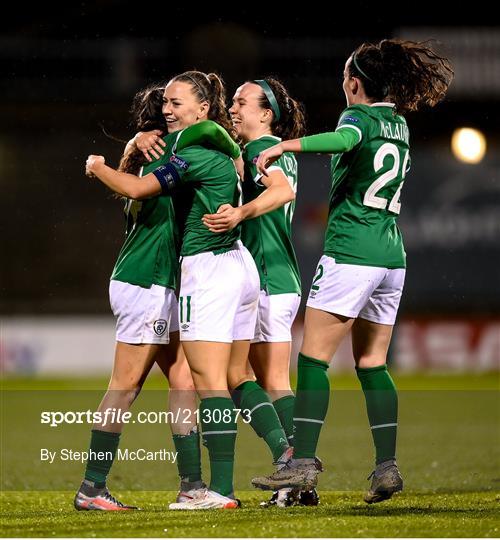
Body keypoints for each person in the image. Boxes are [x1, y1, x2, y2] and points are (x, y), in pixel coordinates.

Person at [251, 39, 453, 503]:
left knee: (313, 360)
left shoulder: (357, 117)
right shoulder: (399, 124)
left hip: (351, 252)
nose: (343, 82)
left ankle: (301, 463)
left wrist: (288, 144)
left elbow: (345, 140)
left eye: (345, 75)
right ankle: (386, 467)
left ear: (355, 82)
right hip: (391, 254)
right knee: (372, 363)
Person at [86, 71, 290, 510]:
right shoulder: (168, 160)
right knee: (127, 384)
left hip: (171, 281)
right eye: (166, 105)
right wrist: (105, 160)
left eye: (176, 104)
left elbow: (209, 138)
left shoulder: (187, 155)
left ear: (199, 110)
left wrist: (129, 150)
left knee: (186, 381)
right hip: (146, 280)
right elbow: (140, 187)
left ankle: (193, 485)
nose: (168, 110)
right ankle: (93, 487)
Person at [202, 78, 318, 507]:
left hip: (265, 278)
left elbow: (281, 191)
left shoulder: (259, 151)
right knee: (273, 382)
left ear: (266, 113)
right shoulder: (266, 149)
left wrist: (240, 213)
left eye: (241, 101)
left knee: (237, 378)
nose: (232, 107)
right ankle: (296, 481)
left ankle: (290, 462)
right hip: (281, 278)